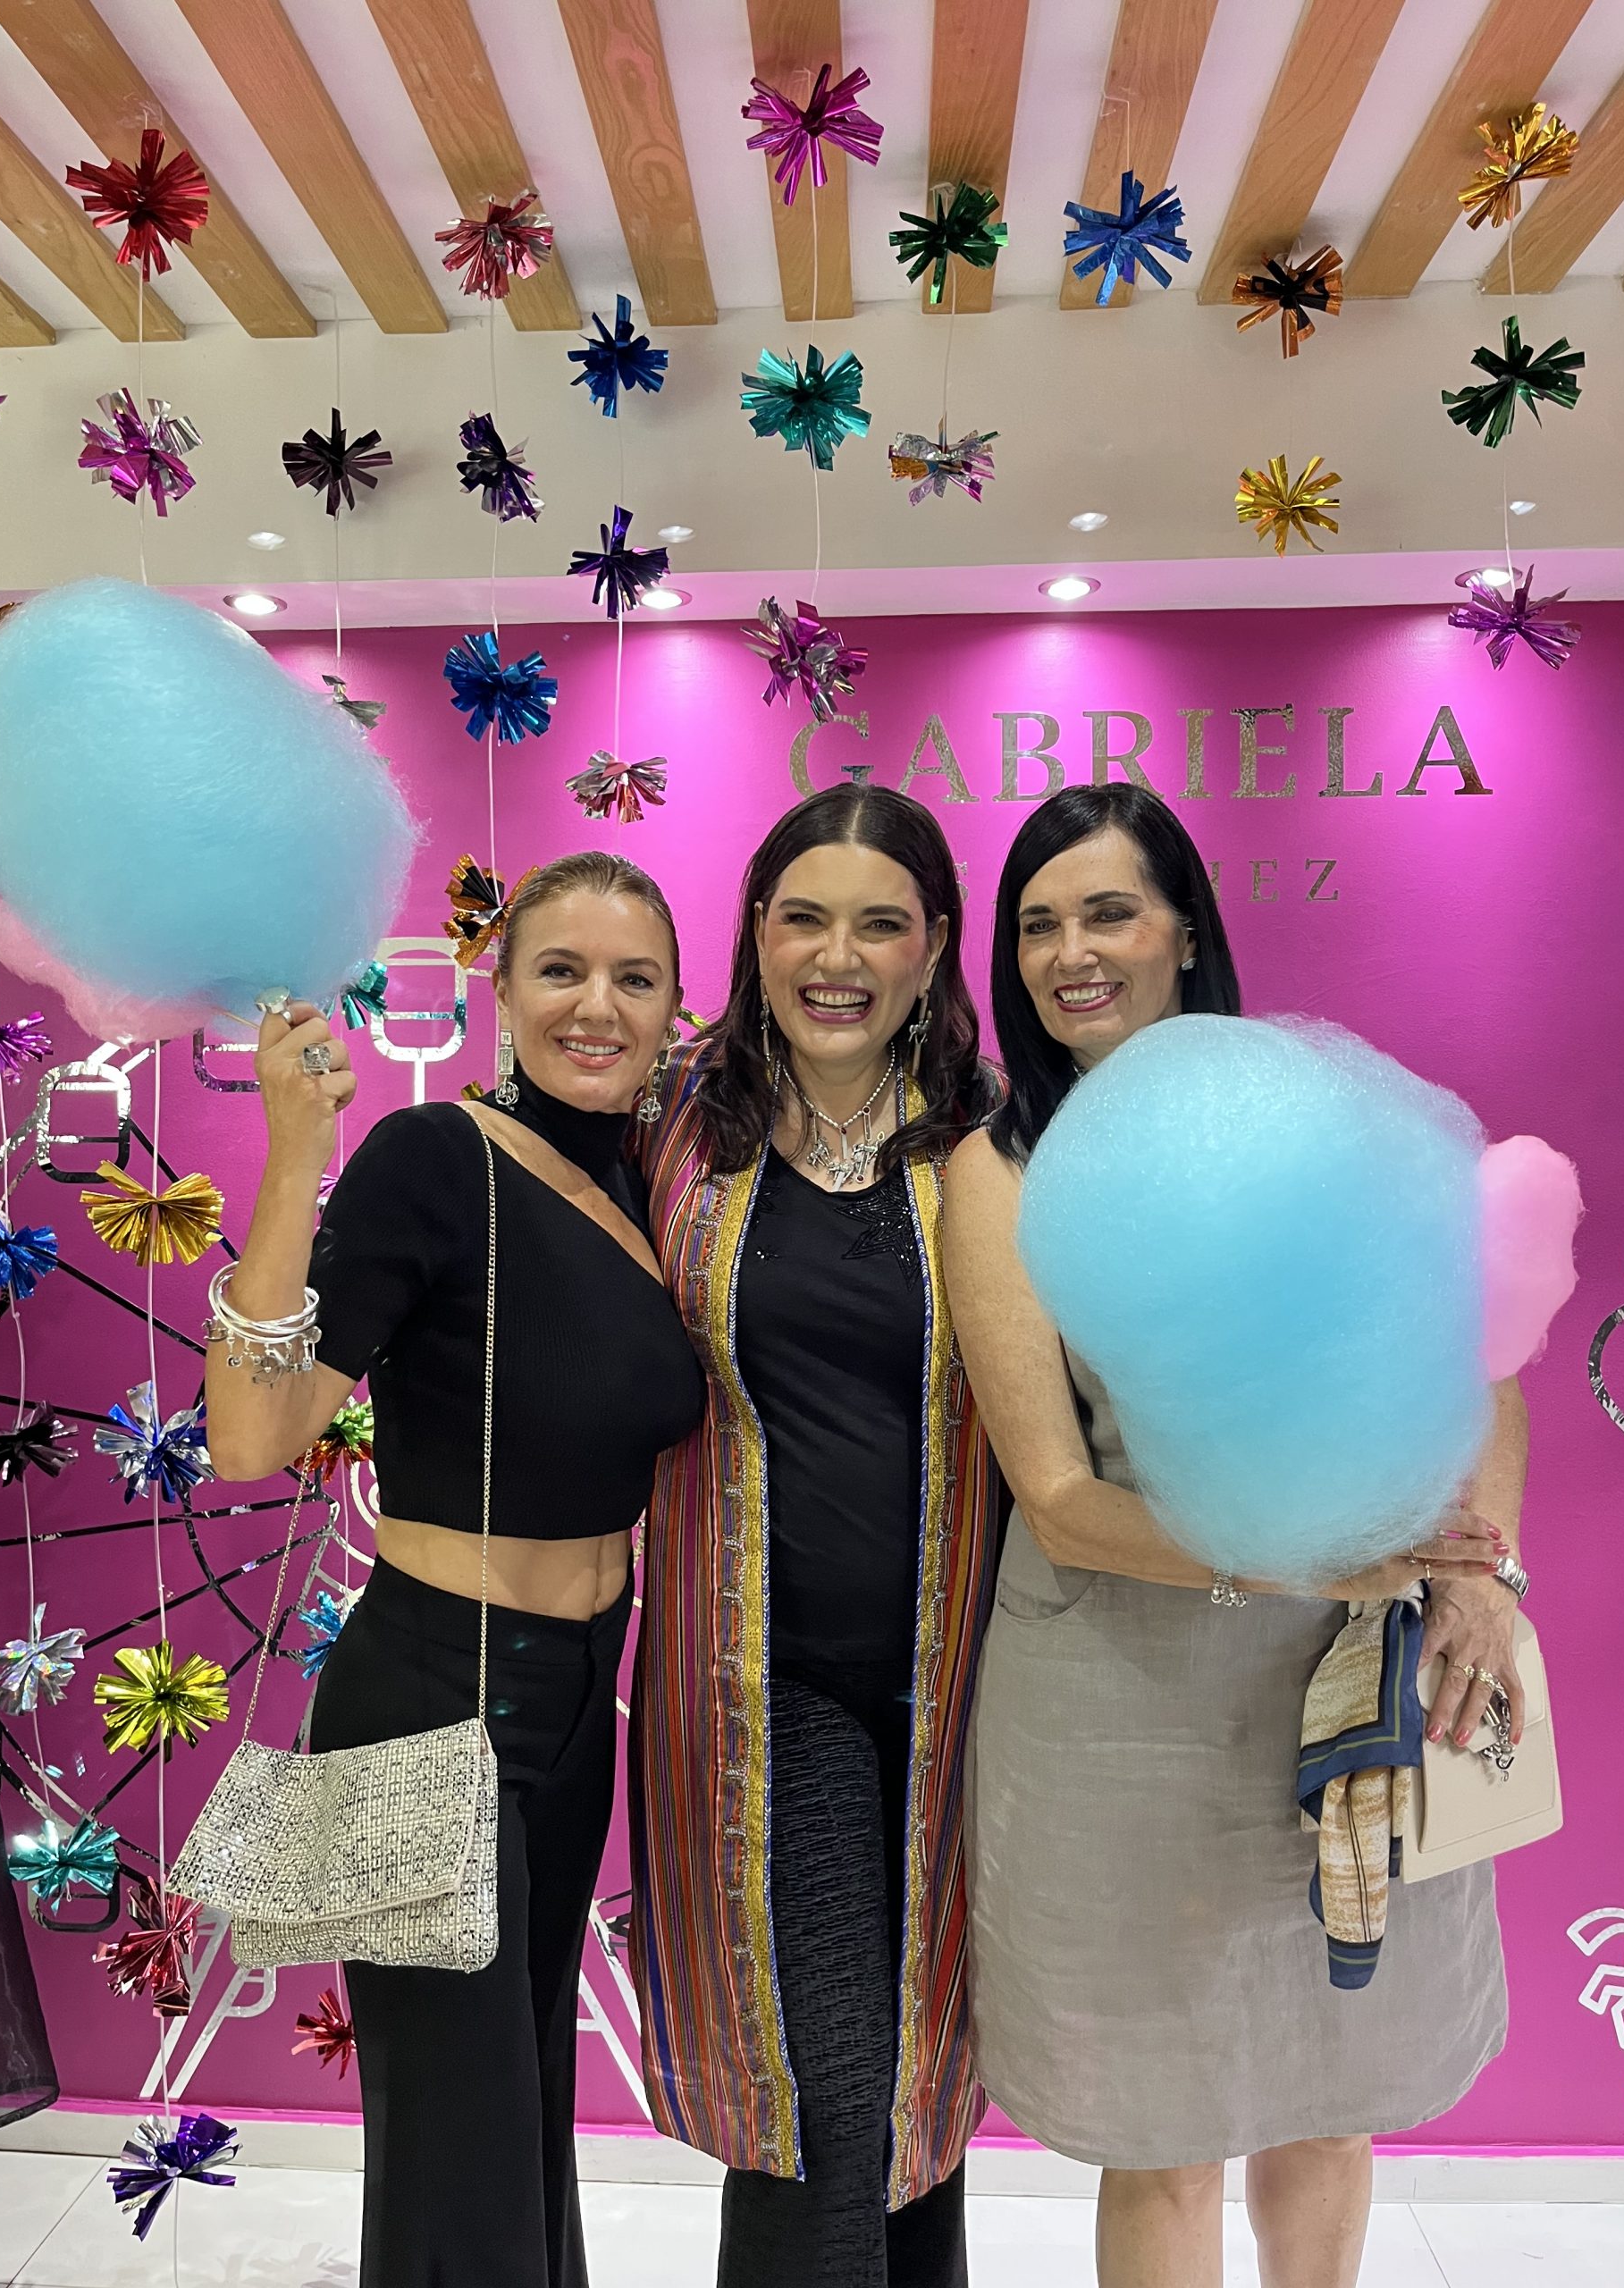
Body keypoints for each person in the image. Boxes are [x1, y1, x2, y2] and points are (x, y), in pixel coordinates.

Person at [945, 784, 1525, 2288]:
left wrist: (1484, 1579)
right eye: (1038, 925)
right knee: (1164, 2132)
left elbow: (1480, 1364)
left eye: (1109, 911)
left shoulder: (1316, 1119)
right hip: (1118, 1695)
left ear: (1186, 929)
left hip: (1344, 1673)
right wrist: (1311, 1555)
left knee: (1334, 2103)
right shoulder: (1000, 1171)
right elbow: (1058, 1497)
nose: (1072, 953)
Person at [205, 851, 705, 2288]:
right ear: (500, 991)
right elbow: (251, 1437)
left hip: (576, 1703)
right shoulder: (433, 1159)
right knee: (456, 2148)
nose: (596, 1006)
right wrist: (294, 1155)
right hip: (424, 1692)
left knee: (522, 2112)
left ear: (675, 1007)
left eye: (634, 978)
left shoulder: (662, 1191)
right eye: (561, 970)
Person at [631, 786, 1002, 2288]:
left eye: (878, 924)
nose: (836, 959)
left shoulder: (993, 1141)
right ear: (756, 932)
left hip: (972, 1685)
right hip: (760, 1686)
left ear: (935, 947)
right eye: (804, 919)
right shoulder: (670, 1123)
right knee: (822, 2099)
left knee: (920, 2086)